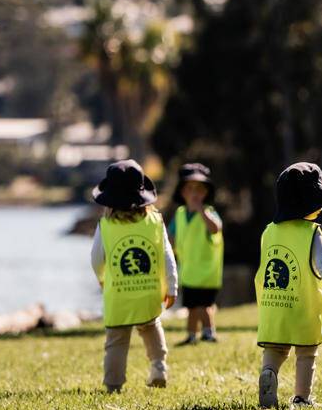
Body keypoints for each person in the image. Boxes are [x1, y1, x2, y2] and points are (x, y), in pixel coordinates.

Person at [255, 162, 322, 409]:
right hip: (303, 308)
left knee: (275, 349)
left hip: (274, 307)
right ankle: (301, 398)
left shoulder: (268, 232)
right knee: (306, 353)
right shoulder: (312, 232)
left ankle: (268, 371)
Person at [90, 160, 178, 392]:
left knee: (116, 342)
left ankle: (113, 384)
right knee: (151, 327)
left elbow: (96, 259)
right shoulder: (155, 222)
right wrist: (172, 287)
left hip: (119, 296)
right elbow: (167, 256)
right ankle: (159, 366)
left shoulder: (106, 225)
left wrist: (102, 278)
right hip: (147, 293)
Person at [168, 163, 225, 345]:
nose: (194, 193)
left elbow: (215, 228)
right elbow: (170, 237)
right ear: (182, 192)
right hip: (189, 272)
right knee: (191, 307)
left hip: (207, 273)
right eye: (189, 188)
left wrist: (201, 210)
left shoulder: (209, 213)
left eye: (199, 189)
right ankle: (191, 335)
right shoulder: (179, 214)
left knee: (204, 306)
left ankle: (209, 332)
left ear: (206, 193)